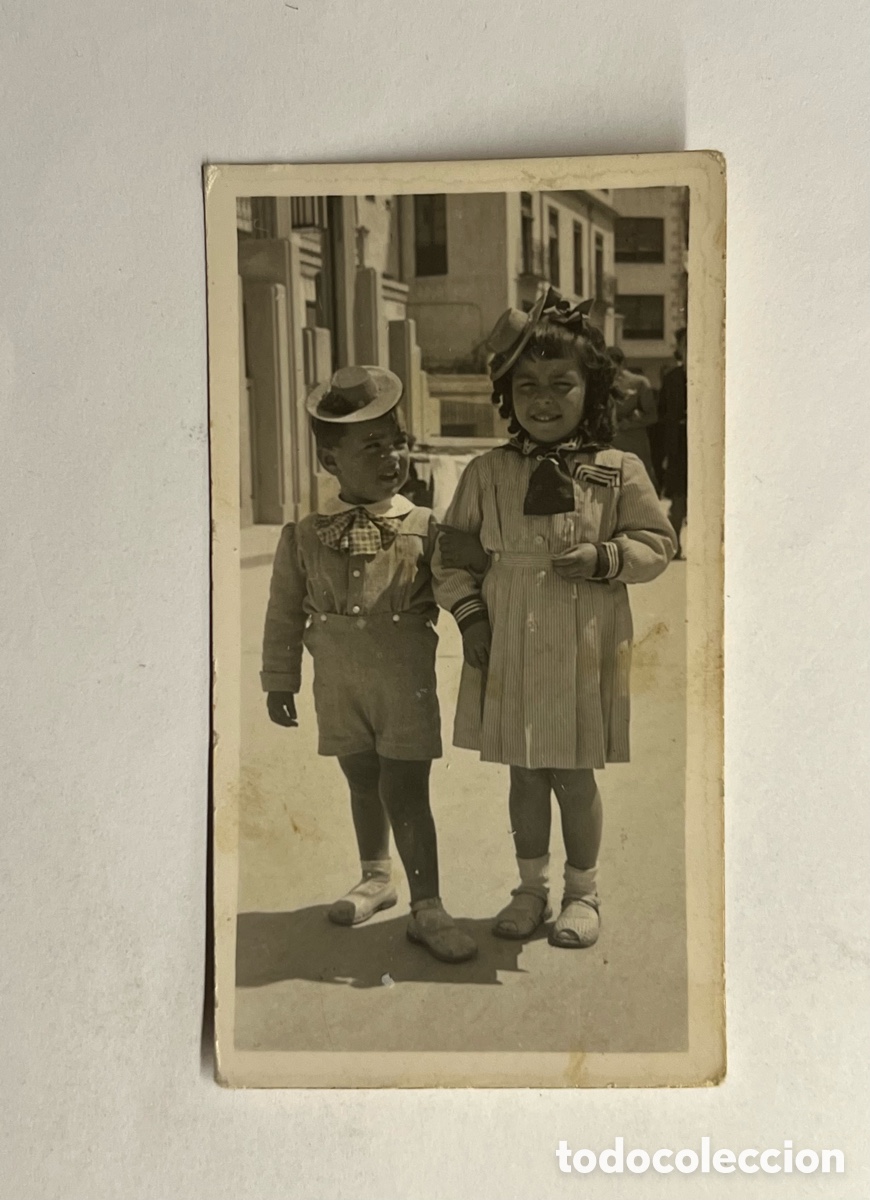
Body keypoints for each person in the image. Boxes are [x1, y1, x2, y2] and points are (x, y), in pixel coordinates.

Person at [433, 289, 676, 950]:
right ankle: (529, 888)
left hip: (582, 641)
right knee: (523, 771)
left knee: (573, 772)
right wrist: (472, 617)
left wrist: (606, 557)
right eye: (526, 386)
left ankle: (583, 892)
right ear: (506, 395)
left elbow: (659, 545)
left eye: (561, 384)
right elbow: (450, 554)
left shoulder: (617, 470)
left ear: (590, 390)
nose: (542, 399)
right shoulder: (486, 472)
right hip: (509, 639)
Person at [261, 365, 477, 964]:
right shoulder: (305, 536)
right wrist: (280, 679)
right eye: (373, 447)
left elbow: (459, 587)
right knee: (361, 780)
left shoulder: (426, 527)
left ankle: (428, 905)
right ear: (330, 463)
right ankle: (377, 876)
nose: (393, 458)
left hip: (403, 684)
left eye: (397, 443)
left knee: (406, 790)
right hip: (339, 687)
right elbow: (282, 615)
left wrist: (479, 627)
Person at [606, 346, 658, 487]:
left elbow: (653, 415)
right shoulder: (600, 384)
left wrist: (631, 423)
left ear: (621, 364)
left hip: (634, 445)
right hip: (610, 448)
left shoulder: (640, 383)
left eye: (612, 366)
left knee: (642, 488)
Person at [659, 328, 688, 558]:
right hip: (679, 447)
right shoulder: (672, 379)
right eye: (685, 344)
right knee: (678, 497)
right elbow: (663, 417)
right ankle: (675, 545)